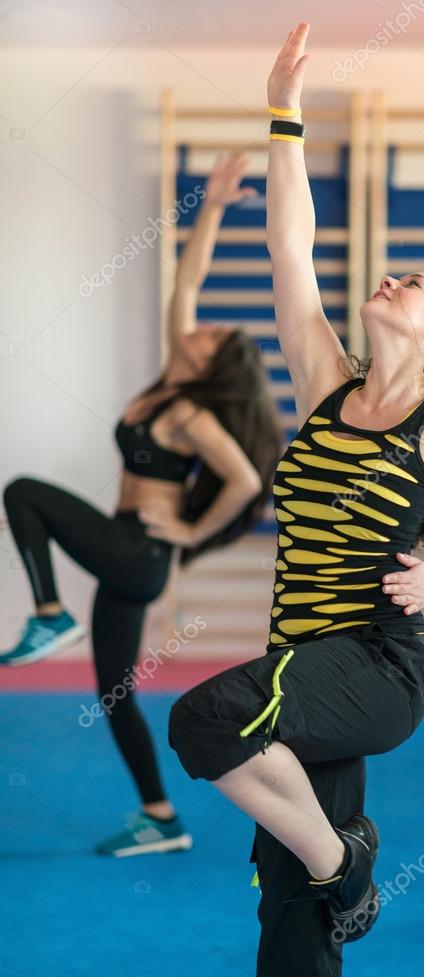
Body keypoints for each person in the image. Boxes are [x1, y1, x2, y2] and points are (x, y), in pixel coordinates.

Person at [168, 23, 424, 977]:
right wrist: (283, 106)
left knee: (202, 718)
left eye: (413, 285)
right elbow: (286, 241)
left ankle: (344, 860)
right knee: (290, 917)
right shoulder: (325, 382)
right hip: (299, 662)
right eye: (390, 275)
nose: (389, 280)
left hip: (378, 664)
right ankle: (332, 882)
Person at [0, 152, 282, 857]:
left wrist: (187, 526)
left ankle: (47, 612)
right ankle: (161, 816)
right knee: (116, 693)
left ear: (214, 366)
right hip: (129, 550)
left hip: (140, 550)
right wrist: (211, 206)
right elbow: (186, 282)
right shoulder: (167, 379)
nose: (202, 328)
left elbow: (246, 480)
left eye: (214, 337)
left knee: (24, 492)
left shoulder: (189, 411)